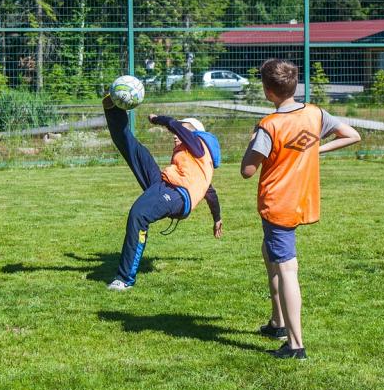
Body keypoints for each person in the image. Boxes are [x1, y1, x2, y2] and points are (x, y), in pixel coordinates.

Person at [240, 59, 360, 359]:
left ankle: (295, 345)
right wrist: (316, 148)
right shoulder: (315, 113)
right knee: (270, 255)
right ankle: (278, 322)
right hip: (300, 200)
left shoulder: (269, 125)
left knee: (287, 268)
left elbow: (247, 170)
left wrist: (254, 140)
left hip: (279, 204)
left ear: (268, 92)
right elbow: (352, 135)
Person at [103, 94, 222, 290]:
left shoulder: (199, 146)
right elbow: (211, 194)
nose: (176, 135)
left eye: (184, 130)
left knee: (139, 214)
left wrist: (157, 119)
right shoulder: (198, 166)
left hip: (177, 195)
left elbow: (174, 125)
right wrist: (217, 218)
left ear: (195, 134)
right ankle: (113, 111)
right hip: (164, 184)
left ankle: (124, 279)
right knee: (136, 150)